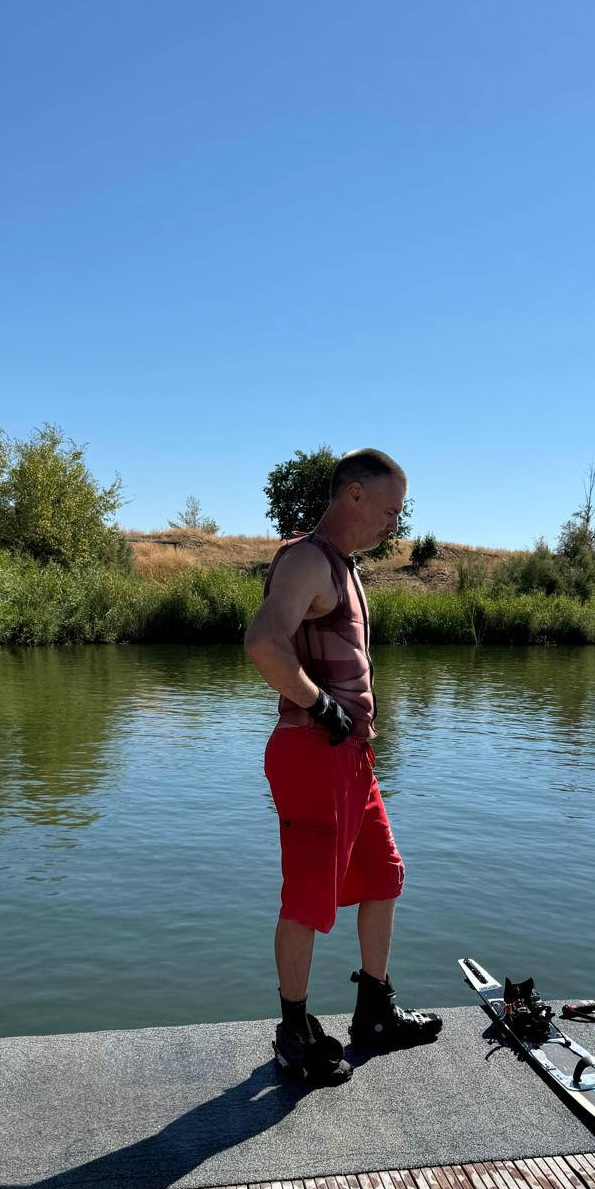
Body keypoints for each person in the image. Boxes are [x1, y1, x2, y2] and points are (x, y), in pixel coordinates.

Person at [244, 448, 442, 1085]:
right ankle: (293, 1033)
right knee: (307, 897)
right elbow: (263, 641)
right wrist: (319, 704)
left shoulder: (345, 566)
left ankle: (374, 1012)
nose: (395, 523)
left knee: (383, 875)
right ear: (354, 494)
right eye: (389, 509)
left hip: (352, 757)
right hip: (313, 752)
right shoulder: (307, 559)